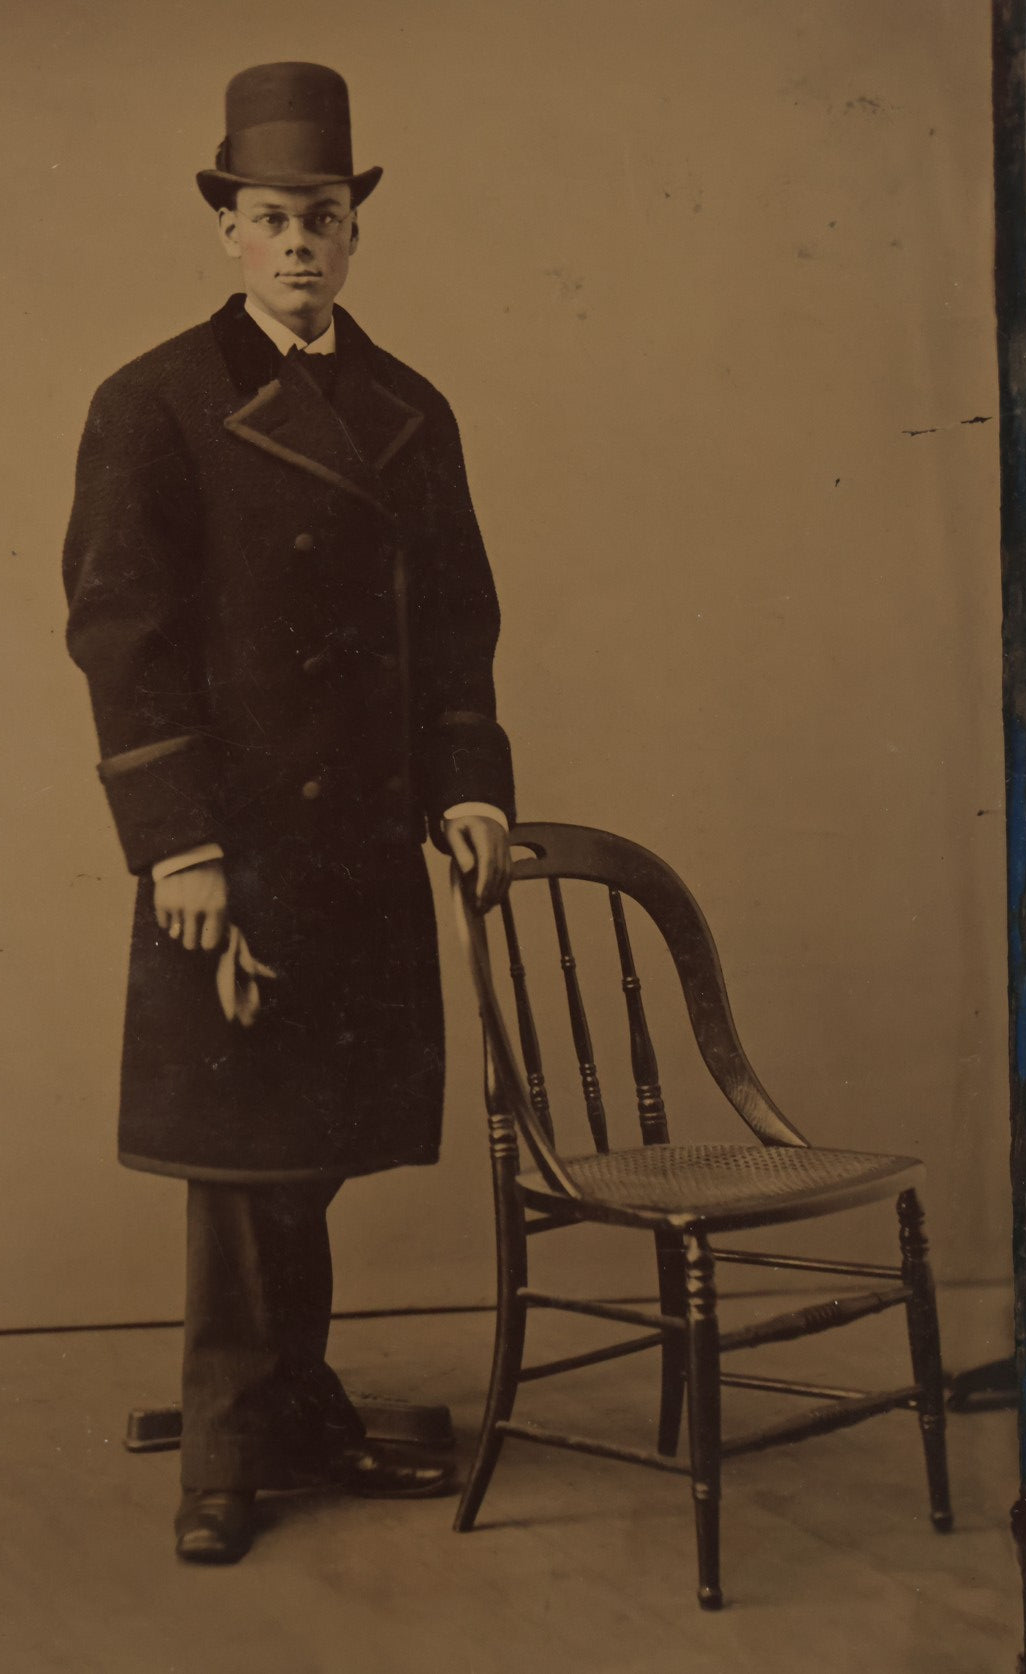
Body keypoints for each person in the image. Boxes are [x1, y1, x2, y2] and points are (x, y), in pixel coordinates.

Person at [62, 61, 515, 1564]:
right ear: (228, 233)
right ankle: (226, 1441)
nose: (300, 243)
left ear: (353, 231)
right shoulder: (155, 401)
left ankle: (297, 1401)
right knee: (242, 1160)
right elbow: (121, 631)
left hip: (365, 841)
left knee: (309, 1145)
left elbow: (457, 619)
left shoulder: (409, 406)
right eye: (272, 217)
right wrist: (177, 841)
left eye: (323, 216)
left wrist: (467, 785)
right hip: (236, 841)